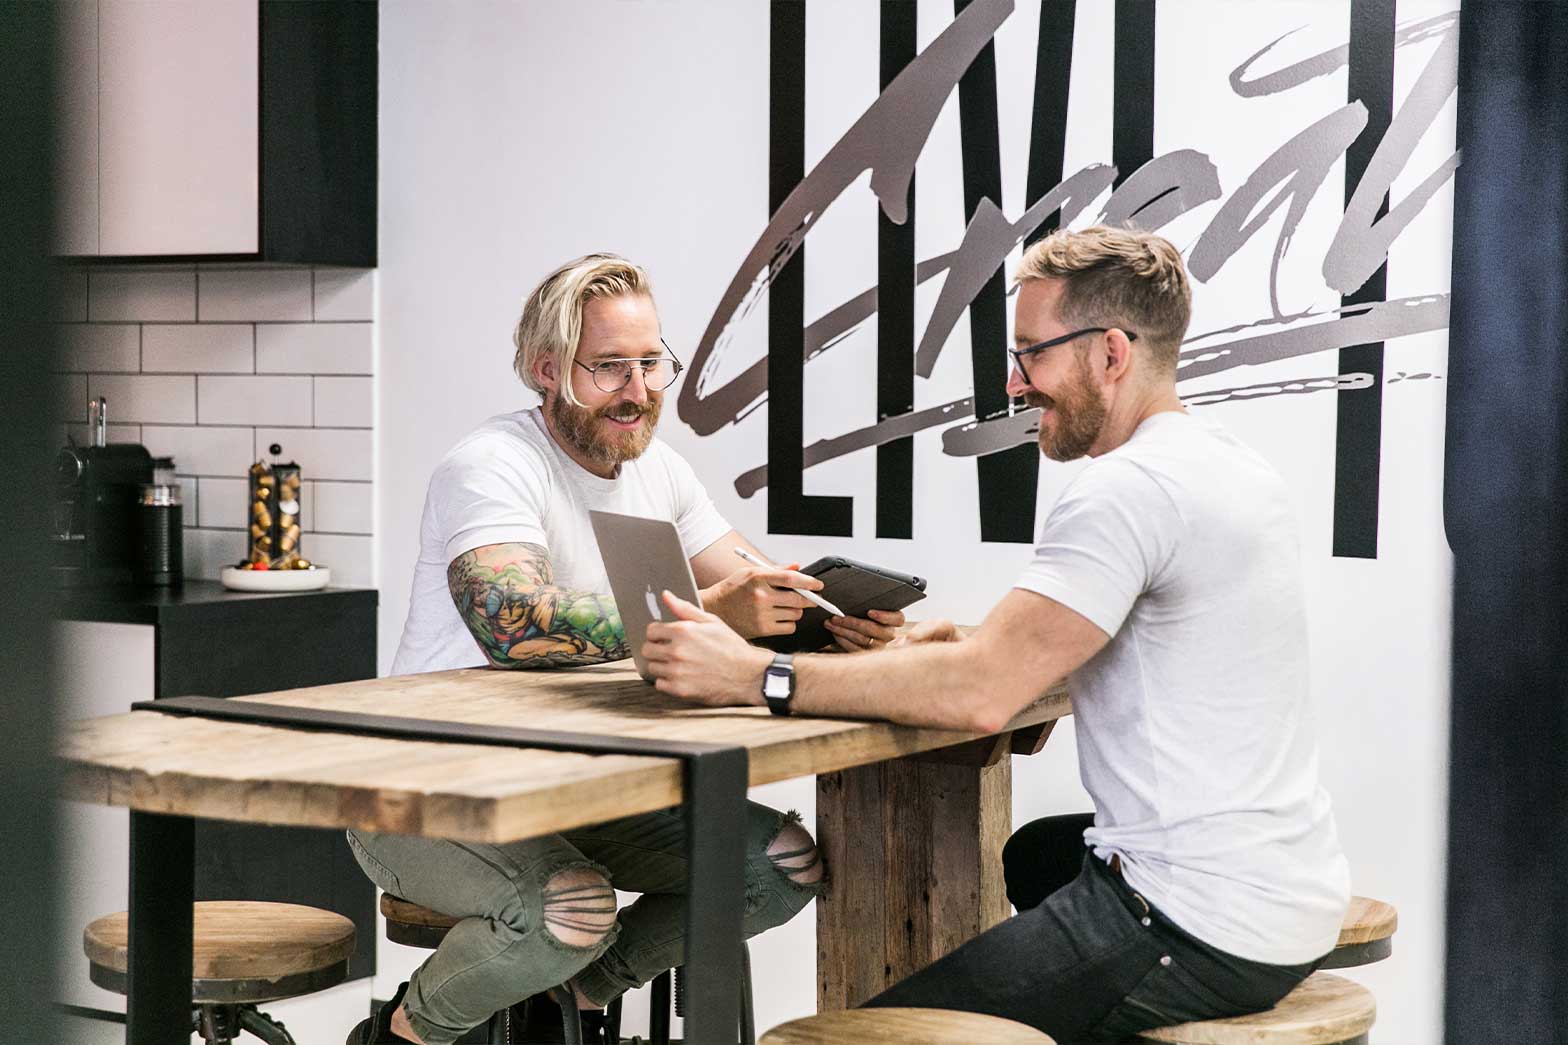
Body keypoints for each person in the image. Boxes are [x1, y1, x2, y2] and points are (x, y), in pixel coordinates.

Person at [641, 226, 1351, 1042]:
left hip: (1190, 923)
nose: (1014, 384)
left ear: (1112, 352)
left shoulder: (1126, 489)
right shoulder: (1223, 463)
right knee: (1034, 858)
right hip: (1291, 890)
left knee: (838, 1039)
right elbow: (1104, 643)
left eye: (1031, 355)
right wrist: (956, 647)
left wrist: (754, 676)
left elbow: (984, 695)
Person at [347, 253, 904, 1045]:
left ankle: (582, 985)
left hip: (579, 789)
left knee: (780, 867)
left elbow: (755, 584)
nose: (638, 391)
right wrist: (719, 609)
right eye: (609, 367)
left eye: (651, 364)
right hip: (423, 789)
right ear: (548, 370)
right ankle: (405, 1032)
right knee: (570, 905)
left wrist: (833, 618)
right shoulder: (491, 465)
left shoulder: (660, 471)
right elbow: (512, 619)